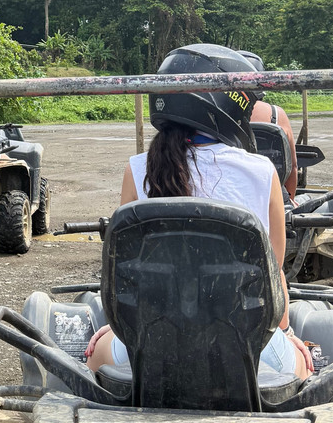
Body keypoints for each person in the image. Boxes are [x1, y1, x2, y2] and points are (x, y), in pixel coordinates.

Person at [85, 45, 313, 381]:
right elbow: (272, 274)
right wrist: (290, 337)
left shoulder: (137, 169)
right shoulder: (263, 171)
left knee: (94, 358)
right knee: (302, 369)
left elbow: (128, 270)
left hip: (154, 338)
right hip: (242, 342)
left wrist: (113, 328)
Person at [238, 50, 299, 202]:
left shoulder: (219, 113)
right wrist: (290, 200)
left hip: (235, 191)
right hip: (272, 194)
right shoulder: (276, 114)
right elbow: (292, 166)